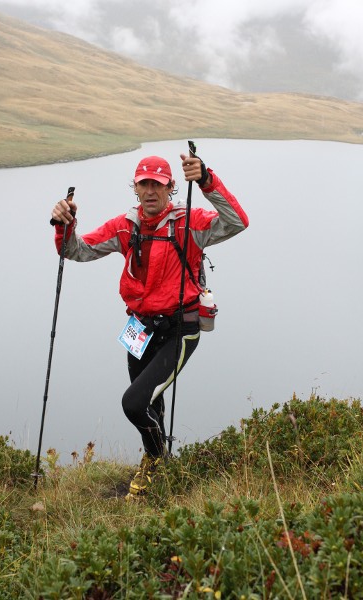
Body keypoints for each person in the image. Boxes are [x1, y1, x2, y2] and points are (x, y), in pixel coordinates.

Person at [51, 148, 249, 497]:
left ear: (171, 187)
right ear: (136, 188)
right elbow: (75, 250)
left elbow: (236, 222)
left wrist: (205, 179)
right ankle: (158, 467)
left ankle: (156, 462)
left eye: (158, 185)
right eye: (144, 184)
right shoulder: (125, 227)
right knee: (150, 405)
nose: (151, 191)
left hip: (180, 330)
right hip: (139, 329)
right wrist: (65, 226)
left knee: (134, 403)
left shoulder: (190, 223)